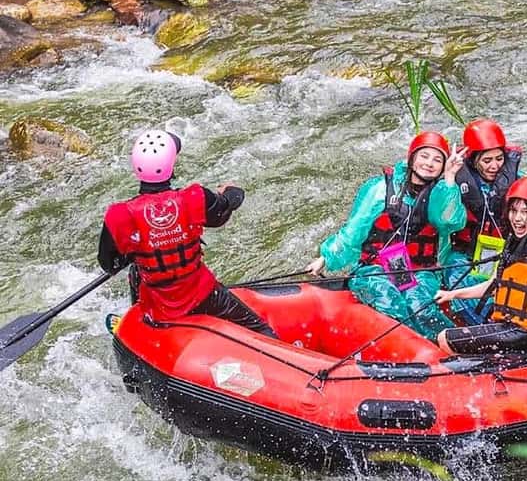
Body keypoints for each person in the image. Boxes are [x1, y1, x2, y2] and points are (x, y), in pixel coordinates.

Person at [98, 131, 277, 337]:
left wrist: (138, 249)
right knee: (261, 329)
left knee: (137, 271)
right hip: (206, 297)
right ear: (170, 166)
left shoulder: (119, 215)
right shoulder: (195, 197)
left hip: (158, 306)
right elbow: (225, 209)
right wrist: (231, 190)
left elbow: (109, 264)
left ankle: (140, 322)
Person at [306, 132, 468, 340]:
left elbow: (449, 222)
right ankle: (407, 350)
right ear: (412, 158)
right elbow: (354, 230)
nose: (429, 163)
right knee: (390, 300)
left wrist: (450, 178)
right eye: (424, 156)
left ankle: (448, 349)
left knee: (420, 306)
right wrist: (326, 258)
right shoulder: (380, 188)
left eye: (437, 160)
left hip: (420, 272)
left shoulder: (442, 192)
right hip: (375, 268)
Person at [434, 173, 527, 354]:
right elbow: (493, 285)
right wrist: (451, 295)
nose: (518, 218)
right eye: (514, 211)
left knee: (445, 338)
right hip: (512, 326)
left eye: (526, 212)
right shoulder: (513, 242)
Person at [444, 118, 523, 324]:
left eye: (499, 159)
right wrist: (450, 178)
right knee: (457, 278)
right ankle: (483, 326)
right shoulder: (456, 180)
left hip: (503, 251)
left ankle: (507, 321)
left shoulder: (516, 178)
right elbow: (444, 220)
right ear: (473, 159)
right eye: (487, 161)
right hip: (463, 253)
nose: (495, 166)